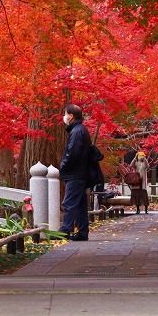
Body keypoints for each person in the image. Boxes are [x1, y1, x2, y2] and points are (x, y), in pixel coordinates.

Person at [58, 103, 92, 241]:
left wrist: (63, 166)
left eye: (65, 114)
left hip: (75, 173)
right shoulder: (80, 129)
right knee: (80, 203)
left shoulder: (77, 131)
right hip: (80, 172)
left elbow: (72, 153)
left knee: (70, 202)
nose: (64, 117)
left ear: (71, 116)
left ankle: (64, 230)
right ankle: (82, 231)